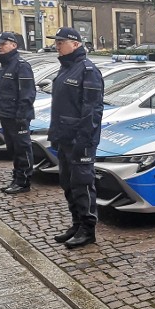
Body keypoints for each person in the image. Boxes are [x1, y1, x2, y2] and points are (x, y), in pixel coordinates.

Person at [47, 27, 104, 248]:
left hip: (80, 141)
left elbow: (92, 111)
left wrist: (84, 141)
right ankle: (76, 223)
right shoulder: (65, 69)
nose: (57, 45)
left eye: (61, 42)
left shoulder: (87, 70)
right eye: (57, 42)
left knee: (82, 185)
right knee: (68, 184)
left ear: (76, 44)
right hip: (64, 139)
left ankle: (88, 229)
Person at [0, 32, 36, 194]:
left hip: (17, 116)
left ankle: (23, 181)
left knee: (22, 148)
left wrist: (21, 115)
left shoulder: (21, 65)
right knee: (13, 148)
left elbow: (27, 94)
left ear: (14, 45)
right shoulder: (6, 64)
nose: (0, 47)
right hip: (6, 114)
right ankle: (17, 177)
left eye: (3, 44)